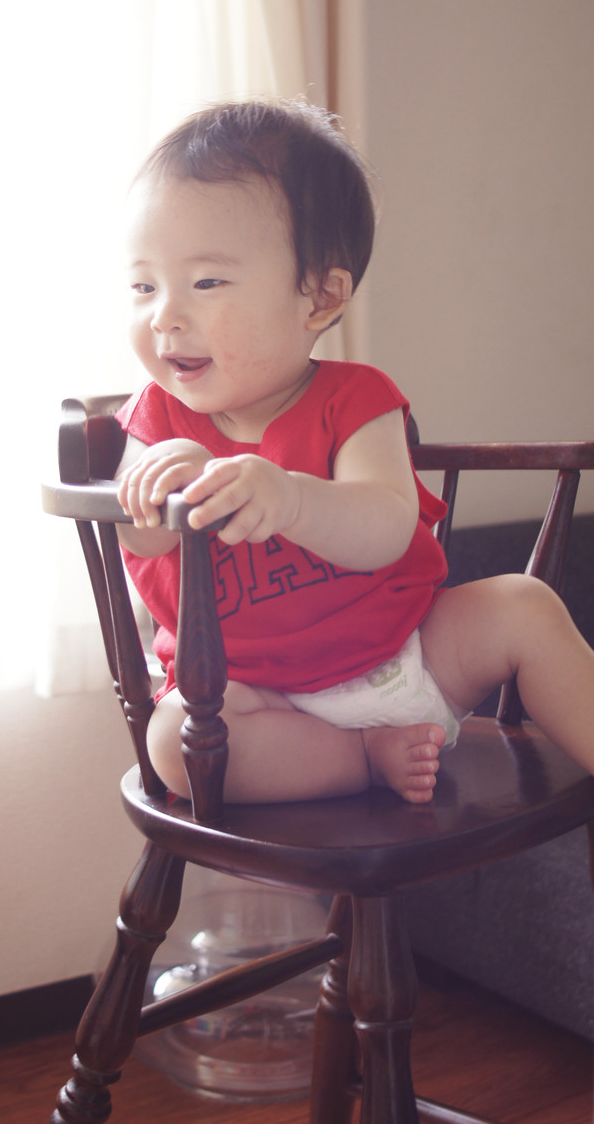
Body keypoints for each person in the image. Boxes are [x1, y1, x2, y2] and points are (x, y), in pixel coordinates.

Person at [112, 98, 594, 806]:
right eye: (143, 286)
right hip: (256, 698)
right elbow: (138, 535)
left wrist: (290, 498)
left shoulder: (357, 399)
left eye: (206, 282)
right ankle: (361, 758)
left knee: (524, 604)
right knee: (175, 745)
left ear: (320, 297)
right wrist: (166, 481)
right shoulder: (155, 418)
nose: (165, 316)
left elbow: (386, 525)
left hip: (407, 655)